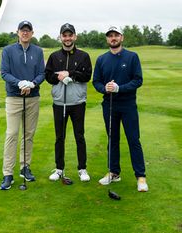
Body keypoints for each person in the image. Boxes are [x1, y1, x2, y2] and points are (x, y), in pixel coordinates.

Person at [93, 26, 148, 192]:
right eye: (110, 36)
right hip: (109, 105)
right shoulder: (102, 59)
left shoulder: (132, 57)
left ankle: (141, 177)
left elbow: (138, 80)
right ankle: (114, 172)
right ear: (107, 39)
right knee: (113, 139)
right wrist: (106, 88)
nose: (113, 38)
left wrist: (119, 88)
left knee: (133, 140)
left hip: (128, 105)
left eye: (116, 35)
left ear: (121, 37)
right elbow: (96, 82)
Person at [0, 20, 45, 190]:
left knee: (28, 134)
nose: (25, 33)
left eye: (28, 30)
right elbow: (4, 73)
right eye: (22, 30)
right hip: (14, 97)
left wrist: (32, 84)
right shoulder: (8, 51)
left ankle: (25, 167)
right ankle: (8, 174)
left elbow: (42, 73)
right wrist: (20, 83)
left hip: (33, 97)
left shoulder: (38, 51)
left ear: (32, 33)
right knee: (12, 134)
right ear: (17, 32)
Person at [45, 23, 92, 182]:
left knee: (80, 135)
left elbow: (87, 76)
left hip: (78, 102)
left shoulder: (83, 56)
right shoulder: (54, 56)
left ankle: (82, 169)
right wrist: (58, 77)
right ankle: (59, 169)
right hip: (59, 103)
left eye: (70, 35)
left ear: (75, 36)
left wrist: (70, 74)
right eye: (64, 35)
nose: (67, 38)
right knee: (60, 137)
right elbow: (48, 77)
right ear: (61, 37)